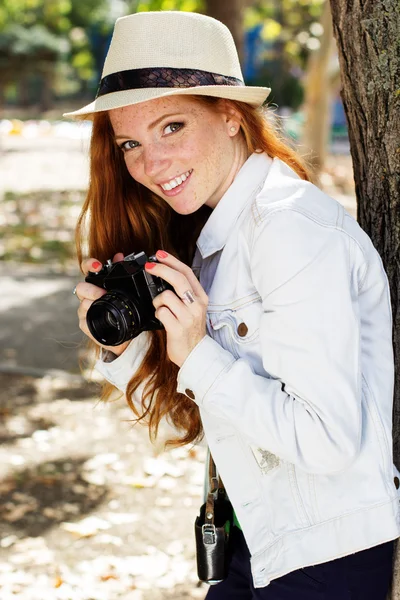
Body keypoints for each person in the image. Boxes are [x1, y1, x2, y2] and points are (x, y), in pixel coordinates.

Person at [65, 10, 399, 599]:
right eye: (131, 143)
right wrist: (129, 349)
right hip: (256, 537)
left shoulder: (287, 229)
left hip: (327, 556)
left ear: (229, 116)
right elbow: (192, 424)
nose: (150, 163)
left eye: (172, 127)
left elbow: (328, 441)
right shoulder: (208, 241)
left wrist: (197, 353)